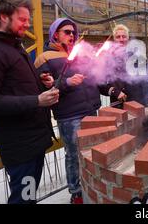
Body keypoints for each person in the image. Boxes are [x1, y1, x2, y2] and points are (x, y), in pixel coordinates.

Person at [0, 0, 59, 204]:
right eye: (22, 20)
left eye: (28, 20)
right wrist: (37, 100)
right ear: (4, 17)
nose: (27, 24)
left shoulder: (14, 45)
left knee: (29, 195)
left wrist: (41, 82)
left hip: (33, 140)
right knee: (23, 198)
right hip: (20, 147)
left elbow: (16, 86)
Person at [34, 18, 108, 204]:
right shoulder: (44, 58)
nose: (72, 35)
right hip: (70, 115)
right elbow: (44, 90)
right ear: (55, 34)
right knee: (74, 155)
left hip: (91, 108)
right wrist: (67, 82)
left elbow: (94, 78)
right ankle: (76, 192)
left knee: (92, 151)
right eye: (67, 32)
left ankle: (91, 184)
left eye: (73, 32)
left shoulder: (79, 53)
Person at [101, 24, 148, 107]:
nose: (121, 39)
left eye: (124, 36)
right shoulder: (107, 59)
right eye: (118, 37)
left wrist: (147, 101)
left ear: (128, 39)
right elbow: (101, 84)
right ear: (114, 39)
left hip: (137, 103)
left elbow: (146, 81)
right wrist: (114, 91)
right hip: (118, 105)